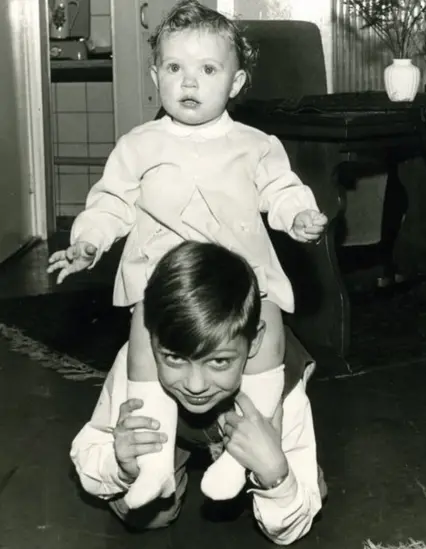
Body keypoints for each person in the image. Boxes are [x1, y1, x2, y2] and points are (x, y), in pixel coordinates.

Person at [48, 0, 327, 509]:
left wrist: (298, 214)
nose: (190, 83)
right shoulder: (138, 145)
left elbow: (281, 188)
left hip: (240, 286)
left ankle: (244, 454)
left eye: (208, 69)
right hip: (165, 286)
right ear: (156, 76)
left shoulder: (256, 144)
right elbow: (111, 200)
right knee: (144, 333)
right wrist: (89, 240)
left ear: (237, 83)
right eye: (175, 68)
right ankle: (151, 466)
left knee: (266, 333)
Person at [70, 241, 327, 545]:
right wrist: (121, 465)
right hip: (174, 432)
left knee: (301, 495)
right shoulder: (138, 366)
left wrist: (276, 474)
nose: (195, 386)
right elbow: (88, 453)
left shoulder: (278, 388)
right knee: (147, 513)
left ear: (255, 342)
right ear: (150, 340)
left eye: (219, 361)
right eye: (175, 358)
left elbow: (289, 532)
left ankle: (251, 465)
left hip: (248, 432)